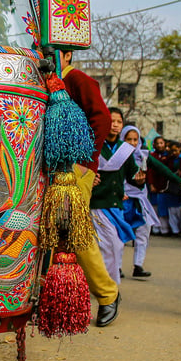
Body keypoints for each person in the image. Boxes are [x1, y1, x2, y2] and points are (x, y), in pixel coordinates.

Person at [58, 49, 121, 327]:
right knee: (51, 232)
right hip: (52, 170)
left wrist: (85, 162)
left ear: (68, 54)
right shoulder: (46, 80)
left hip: (75, 169)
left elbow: (103, 119)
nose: (43, 55)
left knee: (76, 230)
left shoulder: (78, 80)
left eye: (52, 51)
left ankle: (108, 294)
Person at [121, 125, 181, 278]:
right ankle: (117, 267)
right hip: (123, 199)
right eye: (129, 139)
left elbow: (162, 169)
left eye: (135, 139)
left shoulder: (143, 156)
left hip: (141, 199)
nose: (133, 143)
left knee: (143, 232)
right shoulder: (117, 156)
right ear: (123, 139)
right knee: (120, 234)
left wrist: (177, 180)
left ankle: (138, 265)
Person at [91, 108, 139, 289]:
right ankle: (110, 289)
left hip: (117, 206)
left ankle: (107, 286)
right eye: (112, 121)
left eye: (119, 122)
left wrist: (140, 178)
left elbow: (133, 175)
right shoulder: (96, 146)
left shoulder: (124, 149)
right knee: (110, 246)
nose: (116, 124)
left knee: (116, 246)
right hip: (98, 204)